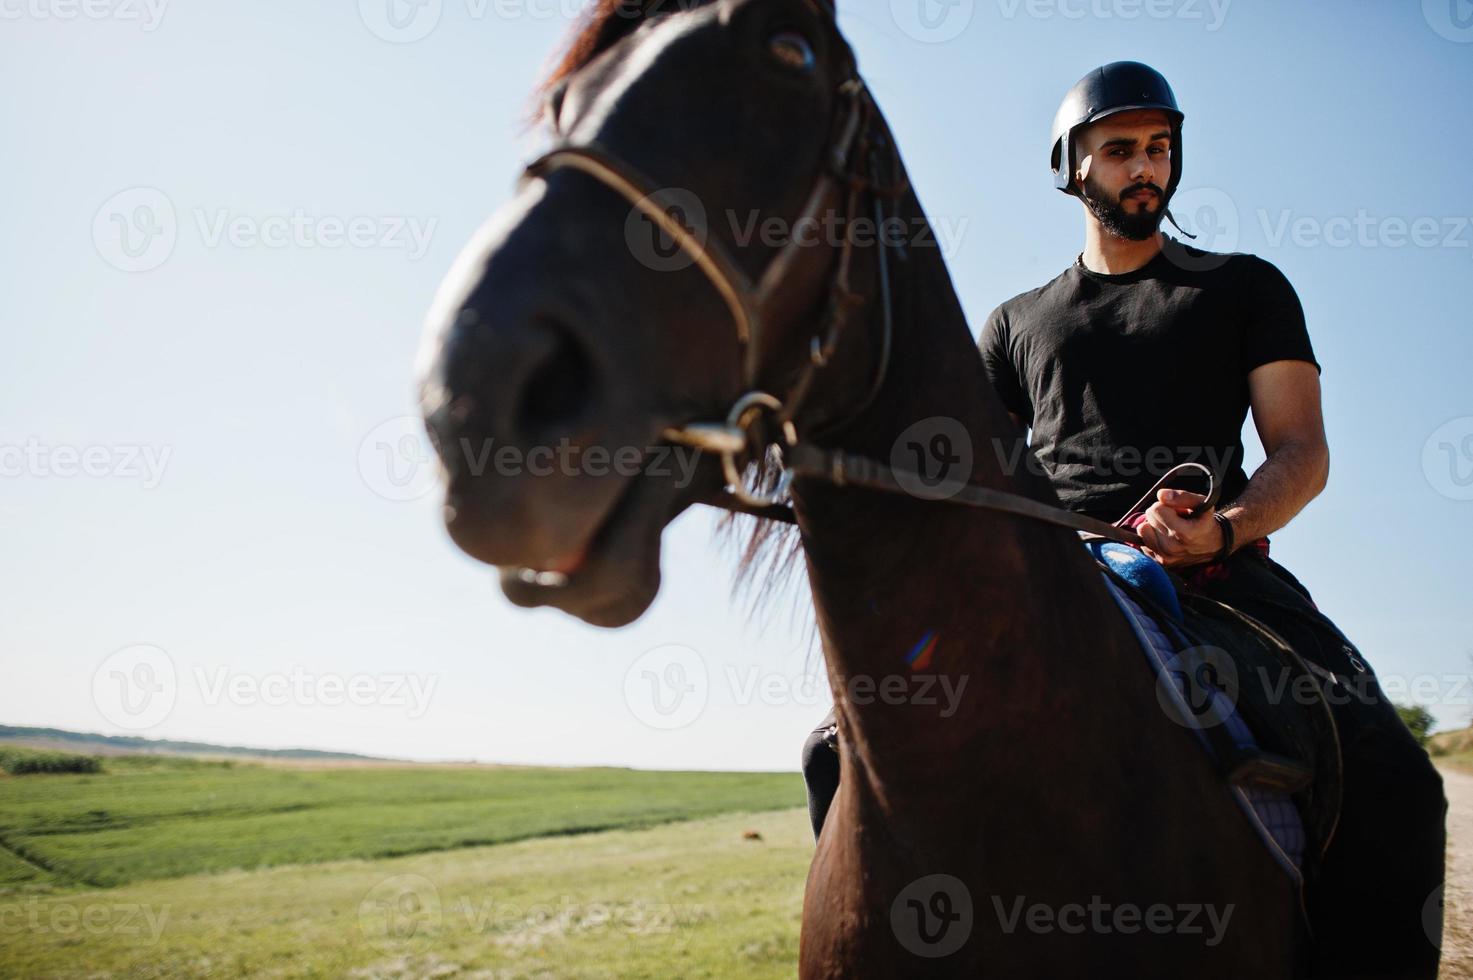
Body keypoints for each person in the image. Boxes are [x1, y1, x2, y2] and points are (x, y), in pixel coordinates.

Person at [801, 61, 1446, 978]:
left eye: (1158, 148)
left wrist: (1219, 529)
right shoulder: (1016, 323)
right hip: (1051, 575)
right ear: (1072, 168)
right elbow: (966, 474)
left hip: (1219, 577)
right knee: (837, 748)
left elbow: (1300, 453)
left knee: (1398, 784)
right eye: (1118, 151)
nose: (1143, 167)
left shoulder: (1243, 289)